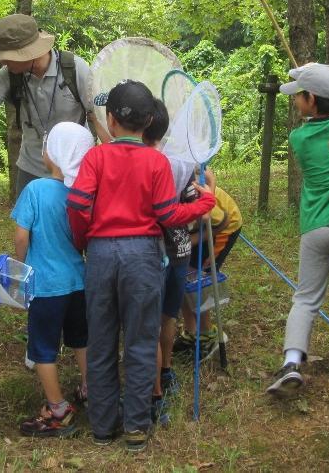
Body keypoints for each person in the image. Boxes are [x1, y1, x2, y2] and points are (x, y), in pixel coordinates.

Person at [67, 80, 216, 453]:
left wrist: (86, 241)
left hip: (101, 254)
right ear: (149, 121)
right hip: (144, 257)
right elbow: (167, 215)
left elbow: (78, 205)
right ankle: (136, 426)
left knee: (101, 339)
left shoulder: (96, 158)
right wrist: (203, 204)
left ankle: (102, 426)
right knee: (140, 340)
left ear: (111, 120)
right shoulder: (156, 161)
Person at [265, 63, 329, 399]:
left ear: (311, 100)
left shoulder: (299, 137)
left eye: (299, 96)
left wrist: (312, 73)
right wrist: (326, 74)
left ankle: (293, 360)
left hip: (318, 227)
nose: (296, 102)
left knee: (307, 296)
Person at [0, 13, 110, 198]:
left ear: (29, 52)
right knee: (28, 223)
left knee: (75, 224)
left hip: (75, 168)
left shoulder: (74, 69)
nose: (2, 61)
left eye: (6, 56)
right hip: (31, 168)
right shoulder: (9, 75)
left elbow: (97, 116)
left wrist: (118, 159)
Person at [12, 121, 94, 438]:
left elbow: (21, 235)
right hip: (78, 280)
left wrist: (22, 264)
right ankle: (89, 389)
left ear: (56, 153)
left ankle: (57, 409)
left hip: (45, 285)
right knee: (81, 338)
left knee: (43, 348)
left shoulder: (36, 189)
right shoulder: (83, 194)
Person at [141, 99, 188, 424]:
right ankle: (167, 369)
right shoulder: (182, 162)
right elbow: (196, 198)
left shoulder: (141, 161)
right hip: (180, 245)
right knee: (169, 314)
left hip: (152, 249)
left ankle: (154, 389)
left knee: (148, 321)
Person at [177, 176, 242, 363]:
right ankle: (191, 331)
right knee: (182, 275)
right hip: (194, 229)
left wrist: (184, 244)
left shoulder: (195, 195)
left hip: (221, 227)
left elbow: (222, 220)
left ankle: (207, 335)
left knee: (197, 277)